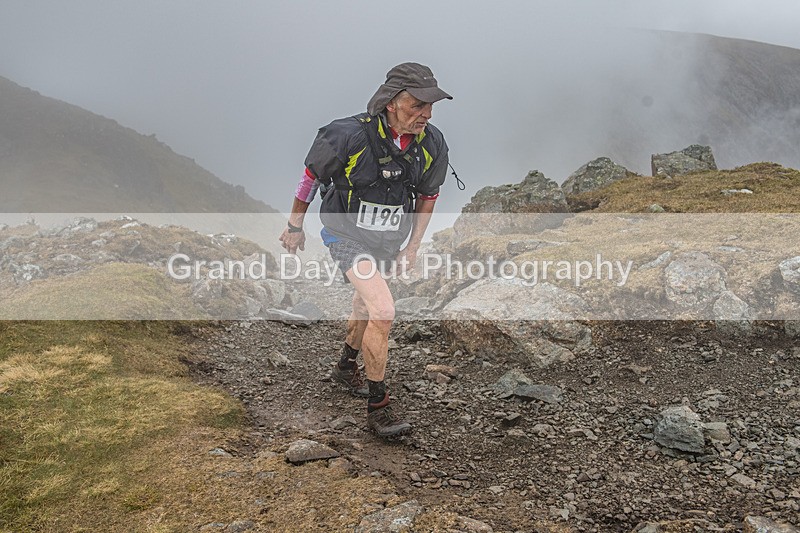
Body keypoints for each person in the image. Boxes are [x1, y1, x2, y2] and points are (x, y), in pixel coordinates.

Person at [278, 62, 452, 437]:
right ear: (391, 103)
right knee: (383, 310)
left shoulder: (431, 144)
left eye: (430, 106)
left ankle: (345, 367)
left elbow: (429, 195)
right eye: (417, 105)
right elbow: (311, 177)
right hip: (345, 234)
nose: (427, 114)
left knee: (363, 304)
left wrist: (413, 247)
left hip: (387, 241)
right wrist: (294, 226)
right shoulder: (348, 135)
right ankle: (378, 408)